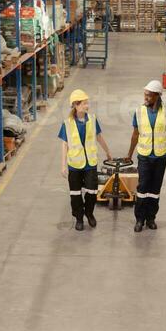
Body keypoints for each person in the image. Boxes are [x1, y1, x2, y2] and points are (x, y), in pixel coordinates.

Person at [126, 79, 166, 232]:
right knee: (142, 188)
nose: (146, 98)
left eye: (149, 95)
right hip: (144, 156)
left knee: (155, 190)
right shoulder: (139, 111)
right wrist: (129, 154)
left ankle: (151, 218)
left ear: (157, 96)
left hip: (160, 156)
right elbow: (135, 135)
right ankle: (139, 219)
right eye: (145, 95)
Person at [58, 89, 111, 231]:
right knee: (75, 194)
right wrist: (63, 165)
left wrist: (107, 152)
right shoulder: (67, 123)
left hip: (90, 163)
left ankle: (89, 213)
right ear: (76, 105)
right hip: (74, 165)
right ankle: (79, 218)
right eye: (84, 103)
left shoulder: (92, 120)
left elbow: (99, 137)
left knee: (92, 191)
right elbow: (64, 144)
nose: (87, 106)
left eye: (87, 103)